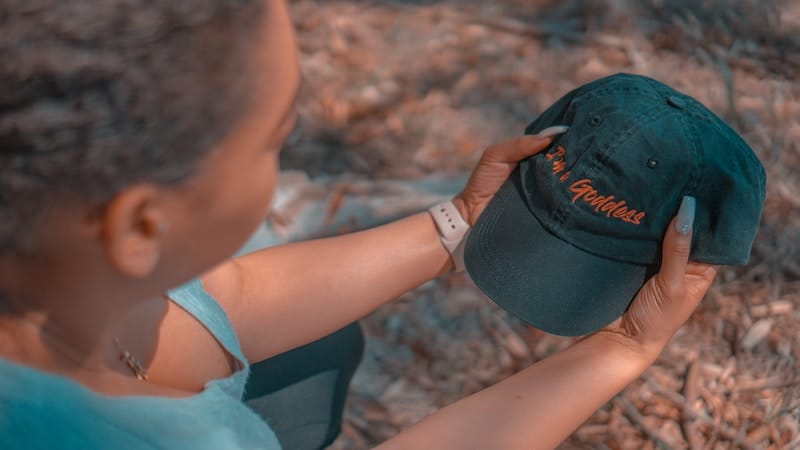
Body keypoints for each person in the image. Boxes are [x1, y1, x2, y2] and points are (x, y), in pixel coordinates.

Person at [0, 0, 719, 449]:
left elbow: (228, 298)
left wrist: (456, 224)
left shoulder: (45, 261)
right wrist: (622, 350)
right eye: (272, 142)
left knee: (318, 354)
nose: (279, 165)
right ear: (141, 227)